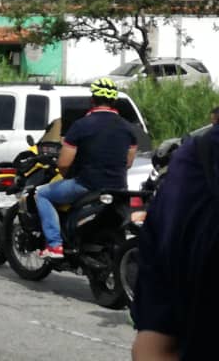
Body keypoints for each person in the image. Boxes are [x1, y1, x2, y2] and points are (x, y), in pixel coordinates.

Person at [131, 123, 219, 360]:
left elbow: (153, 347)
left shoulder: (195, 163)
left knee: (44, 195)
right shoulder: (196, 160)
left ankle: (54, 245)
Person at [35, 77, 137, 259]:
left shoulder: (81, 125)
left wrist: (68, 176)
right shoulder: (128, 128)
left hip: (87, 185)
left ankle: (54, 245)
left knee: (42, 194)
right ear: (114, 101)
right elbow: (128, 162)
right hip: (119, 188)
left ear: (92, 99)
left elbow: (64, 163)